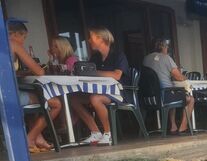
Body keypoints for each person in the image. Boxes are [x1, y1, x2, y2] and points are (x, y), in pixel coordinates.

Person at [7, 18, 62, 153]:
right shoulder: (13, 44)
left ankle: (38, 138)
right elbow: (39, 71)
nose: (23, 41)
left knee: (36, 101)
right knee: (55, 103)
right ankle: (30, 139)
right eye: (23, 37)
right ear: (14, 34)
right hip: (9, 97)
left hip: (5, 94)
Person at [70, 26, 129, 145]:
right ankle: (95, 132)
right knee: (73, 99)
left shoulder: (118, 54)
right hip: (99, 90)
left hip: (118, 92)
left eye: (91, 37)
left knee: (95, 98)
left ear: (101, 39)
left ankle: (108, 134)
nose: (89, 40)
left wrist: (94, 73)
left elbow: (117, 75)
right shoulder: (95, 57)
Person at [142, 39, 194, 134]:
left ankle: (173, 126)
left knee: (173, 93)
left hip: (148, 98)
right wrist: (185, 77)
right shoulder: (166, 58)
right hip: (164, 96)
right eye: (166, 46)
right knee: (190, 99)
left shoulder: (146, 59)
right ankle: (183, 127)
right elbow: (178, 77)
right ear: (162, 47)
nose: (167, 48)